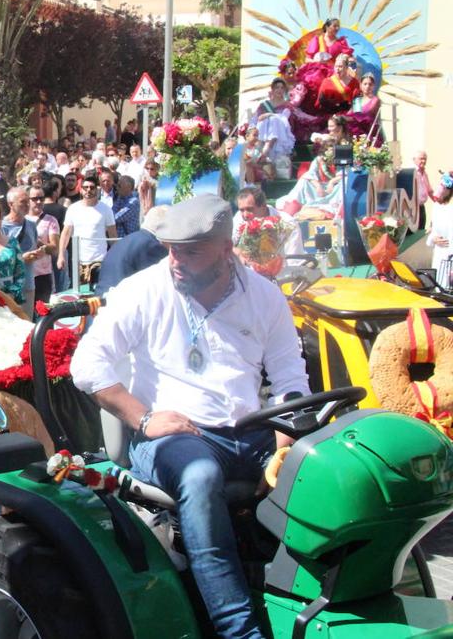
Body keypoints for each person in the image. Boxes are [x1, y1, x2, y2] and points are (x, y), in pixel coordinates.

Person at [72, 194, 310, 639]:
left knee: (325, 465)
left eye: (191, 250)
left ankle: (316, 600)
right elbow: (87, 366)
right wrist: (143, 418)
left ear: (226, 247)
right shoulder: (141, 291)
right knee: (199, 476)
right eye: (171, 248)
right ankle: (237, 629)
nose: (176, 260)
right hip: (173, 437)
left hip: (249, 431)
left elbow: (289, 371)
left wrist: (286, 439)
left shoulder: (263, 295)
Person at [57, 175, 116, 290]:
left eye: (92, 187)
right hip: (80, 261)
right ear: (81, 189)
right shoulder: (73, 209)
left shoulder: (106, 209)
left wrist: (115, 256)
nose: (88, 190)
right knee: (83, 295)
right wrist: (61, 255)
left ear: (97, 189)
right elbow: (65, 233)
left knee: (100, 293)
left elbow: (113, 236)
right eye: (85, 187)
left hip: (100, 261)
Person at [96, 205, 170, 295]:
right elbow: (159, 282)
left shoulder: (129, 239)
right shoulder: (153, 245)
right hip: (120, 300)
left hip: (101, 297)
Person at [277, 120, 346, 217]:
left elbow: (344, 174)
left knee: (345, 183)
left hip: (334, 187)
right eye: (328, 149)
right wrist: (317, 185)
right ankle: (296, 206)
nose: (330, 152)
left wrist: (332, 182)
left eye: (332, 149)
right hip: (320, 186)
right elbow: (310, 174)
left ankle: (337, 209)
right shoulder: (319, 160)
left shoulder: (340, 159)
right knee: (304, 181)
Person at [232, 187, 305, 257]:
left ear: (263, 207)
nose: (245, 215)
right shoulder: (239, 217)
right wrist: (237, 251)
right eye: (241, 210)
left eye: (250, 209)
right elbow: (228, 244)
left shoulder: (288, 223)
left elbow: (294, 262)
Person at [1, 187, 39, 308]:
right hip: (7, 287)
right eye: (23, 202)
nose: (27, 205)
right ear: (10, 204)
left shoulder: (32, 225)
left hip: (28, 284)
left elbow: (34, 246)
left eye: (28, 201)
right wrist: (22, 258)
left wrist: (39, 253)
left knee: (27, 322)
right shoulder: (1, 227)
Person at [255, 79, 297, 176]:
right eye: (277, 87)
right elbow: (259, 118)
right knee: (269, 120)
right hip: (264, 133)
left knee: (275, 120)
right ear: (273, 90)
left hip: (281, 134)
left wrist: (271, 115)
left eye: (282, 88)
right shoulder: (264, 105)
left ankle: (266, 149)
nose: (279, 90)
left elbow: (286, 120)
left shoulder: (287, 105)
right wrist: (268, 115)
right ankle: (263, 148)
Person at [27, 185, 59, 306]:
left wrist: (40, 244)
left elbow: (55, 248)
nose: (39, 201)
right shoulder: (21, 220)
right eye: (35, 198)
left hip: (43, 275)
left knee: (42, 310)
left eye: (41, 198)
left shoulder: (51, 220)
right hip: (25, 272)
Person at [427, 173, 453, 289]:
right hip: (439, 255)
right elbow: (433, 230)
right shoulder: (437, 207)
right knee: (439, 287)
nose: (441, 189)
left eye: (444, 187)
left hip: (450, 255)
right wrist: (434, 239)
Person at [342, 72, 383, 145]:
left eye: (370, 84)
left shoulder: (375, 100)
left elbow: (365, 115)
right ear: (360, 85)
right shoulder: (358, 100)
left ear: (373, 86)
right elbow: (350, 114)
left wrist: (351, 118)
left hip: (369, 132)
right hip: (356, 132)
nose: (367, 86)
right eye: (365, 84)